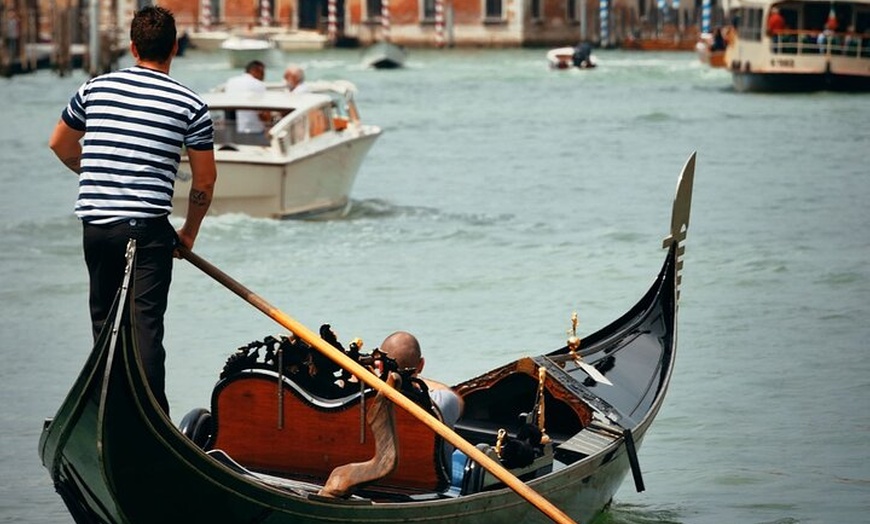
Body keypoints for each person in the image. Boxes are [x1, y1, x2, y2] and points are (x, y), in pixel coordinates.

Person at [48, 6, 217, 415]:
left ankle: (107, 411)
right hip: (146, 230)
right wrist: (189, 233)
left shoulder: (94, 89)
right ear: (174, 48)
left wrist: (93, 173)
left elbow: (60, 144)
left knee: (104, 325)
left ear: (132, 47)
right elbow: (205, 180)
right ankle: (151, 418)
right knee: (144, 331)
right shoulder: (190, 104)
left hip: (95, 227)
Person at [379, 331, 464, 472]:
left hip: (379, 480)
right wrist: (418, 378)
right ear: (421, 365)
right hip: (431, 486)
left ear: (380, 365)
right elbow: (459, 402)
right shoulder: (443, 402)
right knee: (465, 456)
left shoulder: (363, 402)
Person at [225, 60, 269, 141]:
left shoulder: (231, 82)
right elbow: (262, 112)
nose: (263, 77)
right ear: (254, 71)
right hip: (253, 131)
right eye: (262, 73)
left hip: (231, 130)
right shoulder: (259, 84)